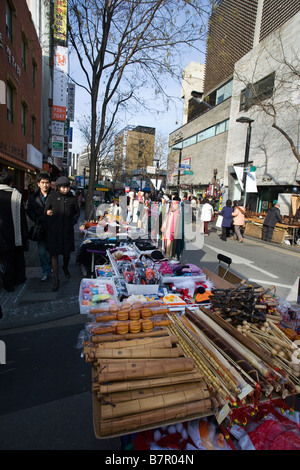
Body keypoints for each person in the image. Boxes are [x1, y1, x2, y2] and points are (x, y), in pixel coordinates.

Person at [45, 176, 80, 292]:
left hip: (67, 231)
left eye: (67, 187)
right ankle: (56, 279)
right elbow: (46, 209)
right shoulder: (52, 196)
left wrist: (72, 222)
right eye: (63, 187)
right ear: (59, 187)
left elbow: (77, 212)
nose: (65, 190)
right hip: (54, 231)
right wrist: (48, 213)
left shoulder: (72, 198)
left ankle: (65, 267)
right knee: (54, 255)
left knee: (66, 254)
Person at [0, 171, 28, 292]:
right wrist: (24, 235)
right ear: (11, 182)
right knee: (11, 259)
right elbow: (22, 219)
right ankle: (11, 283)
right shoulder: (16, 196)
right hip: (12, 234)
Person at [26, 172, 53, 281]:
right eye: (43, 183)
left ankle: (50, 266)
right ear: (38, 184)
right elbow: (29, 211)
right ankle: (45, 271)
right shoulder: (33, 197)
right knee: (42, 252)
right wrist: (37, 218)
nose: (45, 185)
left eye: (47, 183)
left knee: (50, 251)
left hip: (52, 228)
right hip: (40, 228)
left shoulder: (54, 195)